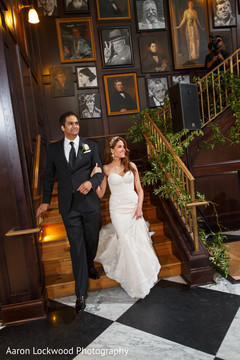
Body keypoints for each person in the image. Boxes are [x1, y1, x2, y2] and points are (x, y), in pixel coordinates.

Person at [36, 112, 104, 313]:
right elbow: (48, 176)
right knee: (76, 247)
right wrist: (46, 201)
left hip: (90, 204)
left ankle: (89, 263)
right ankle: (81, 294)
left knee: (92, 240)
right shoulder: (54, 148)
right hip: (69, 206)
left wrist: (90, 182)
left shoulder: (90, 146)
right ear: (62, 127)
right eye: (70, 124)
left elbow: (99, 172)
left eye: (76, 123)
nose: (75, 126)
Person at [92, 136, 161, 299]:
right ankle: (133, 278)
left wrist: (139, 208)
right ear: (112, 150)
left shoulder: (131, 166)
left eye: (124, 147)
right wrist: (94, 176)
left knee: (137, 241)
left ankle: (141, 277)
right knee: (125, 240)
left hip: (132, 206)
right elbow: (101, 194)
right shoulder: (106, 168)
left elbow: (140, 189)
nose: (123, 149)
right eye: (119, 147)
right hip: (117, 209)